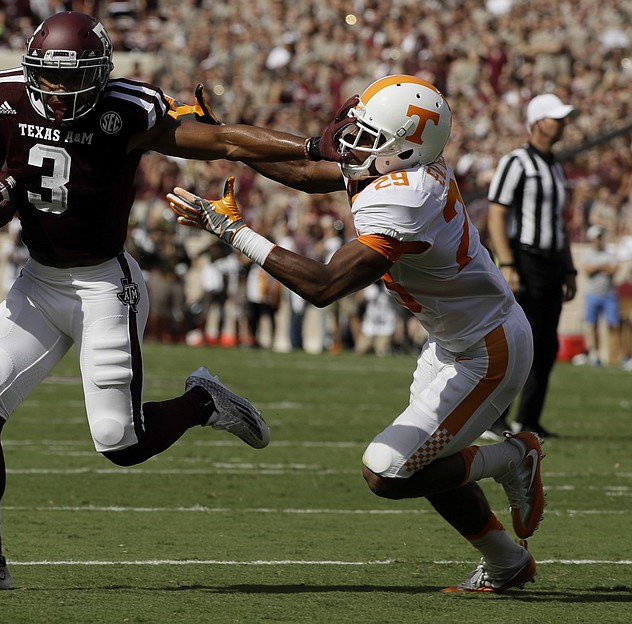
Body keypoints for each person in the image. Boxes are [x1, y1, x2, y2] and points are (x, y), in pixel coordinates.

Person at [0, 11, 334, 591]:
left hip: (103, 286)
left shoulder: (127, 111)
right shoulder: (4, 96)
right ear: (32, 70)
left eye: (73, 78)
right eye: (50, 77)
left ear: (101, 73)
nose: (59, 90)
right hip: (36, 284)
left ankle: (201, 402)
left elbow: (227, 140)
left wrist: (311, 144)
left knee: (121, 442)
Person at [169, 75, 545, 593]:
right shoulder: (398, 164)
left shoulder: (409, 196)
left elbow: (324, 286)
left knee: (387, 471)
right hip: (454, 341)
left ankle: (514, 455)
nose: (350, 139)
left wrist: (231, 230)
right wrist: (223, 135)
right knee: (424, 459)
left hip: (488, 349)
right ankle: (506, 563)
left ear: (405, 148)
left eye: (368, 133)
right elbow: (302, 168)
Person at [484, 93, 578, 440]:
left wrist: (569, 269)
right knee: (524, 341)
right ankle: (496, 417)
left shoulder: (555, 165)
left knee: (548, 344)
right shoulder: (516, 162)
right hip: (525, 258)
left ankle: (529, 418)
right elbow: (497, 212)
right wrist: (506, 261)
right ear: (537, 122)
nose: (563, 124)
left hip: (552, 261)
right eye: (556, 118)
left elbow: (559, 221)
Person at [580, 224, 630, 369]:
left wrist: (597, 267)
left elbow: (613, 269)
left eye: (600, 237)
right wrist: (603, 266)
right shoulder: (588, 254)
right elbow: (588, 270)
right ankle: (594, 355)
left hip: (609, 295)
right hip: (592, 295)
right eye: (597, 237)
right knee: (592, 325)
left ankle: (622, 356)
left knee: (614, 325)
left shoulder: (610, 253)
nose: (599, 240)